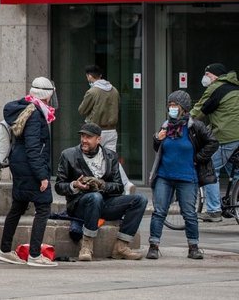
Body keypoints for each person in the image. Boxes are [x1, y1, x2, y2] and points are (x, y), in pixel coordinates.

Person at [53, 122, 146, 261]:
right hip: (80, 204)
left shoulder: (110, 156)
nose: (84, 140)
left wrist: (101, 185)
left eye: (88, 137)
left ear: (98, 139)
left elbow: (119, 187)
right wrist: (75, 185)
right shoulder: (68, 155)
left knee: (140, 200)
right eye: (82, 136)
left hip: (105, 203)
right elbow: (59, 186)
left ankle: (121, 247)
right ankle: (86, 246)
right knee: (95, 197)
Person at [146, 90, 219, 260]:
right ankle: (154, 246)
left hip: (187, 177)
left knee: (189, 213)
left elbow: (213, 142)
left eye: (175, 105)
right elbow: (158, 148)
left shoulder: (195, 126)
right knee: (159, 212)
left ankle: (193, 247)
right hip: (164, 175)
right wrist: (157, 138)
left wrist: (198, 158)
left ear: (184, 109)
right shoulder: (165, 125)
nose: (171, 108)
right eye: (170, 105)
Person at [0, 77, 57, 268]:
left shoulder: (26, 108)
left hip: (20, 165)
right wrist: (42, 176)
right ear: (47, 96)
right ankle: (35, 254)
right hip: (31, 167)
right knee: (44, 206)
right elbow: (33, 148)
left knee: (18, 206)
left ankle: (5, 250)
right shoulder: (35, 115)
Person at [190, 62, 239, 221]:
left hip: (226, 136)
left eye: (207, 75)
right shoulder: (236, 87)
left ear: (216, 76)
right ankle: (234, 202)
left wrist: (182, 122)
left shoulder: (215, 88)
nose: (205, 78)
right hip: (236, 137)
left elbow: (199, 110)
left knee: (209, 169)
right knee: (236, 172)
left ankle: (213, 210)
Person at [79, 65, 134, 193]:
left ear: (89, 76)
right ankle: (126, 184)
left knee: (90, 159)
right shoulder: (114, 90)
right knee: (112, 159)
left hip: (95, 131)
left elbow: (82, 110)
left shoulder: (92, 92)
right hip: (112, 130)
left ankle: (93, 187)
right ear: (101, 76)